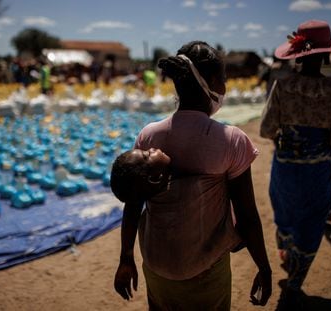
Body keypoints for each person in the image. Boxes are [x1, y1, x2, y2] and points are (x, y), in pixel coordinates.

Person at [113, 40, 272, 310]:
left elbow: (134, 204)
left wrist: (126, 257)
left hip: (156, 265)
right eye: (223, 78)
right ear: (211, 81)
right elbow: (246, 215)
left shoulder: (149, 135)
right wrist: (264, 268)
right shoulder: (231, 139)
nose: (225, 85)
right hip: (205, 272)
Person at [260, 20, 331, 307]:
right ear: (326, 55)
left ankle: (287, 252)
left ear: (298, 53)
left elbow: (267, 129)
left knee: (285, 213)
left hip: (285, 167)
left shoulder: (283, 86)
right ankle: (296, 281)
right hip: (318, 172)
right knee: (311, 221)